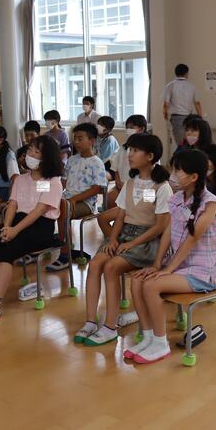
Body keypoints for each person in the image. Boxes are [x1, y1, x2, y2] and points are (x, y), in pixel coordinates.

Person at [124, 149, 216, 365]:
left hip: (202, 272)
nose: (173, 175)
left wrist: (167, 269)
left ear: (193, 177)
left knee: (151, 285)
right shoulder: (177, 198)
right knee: (138, 280)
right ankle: (148, 337)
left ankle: (160, 343)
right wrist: (158, 264)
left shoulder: (210, 203)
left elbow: (192, 239)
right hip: (178, 267)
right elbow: (168, 232)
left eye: (178, 171)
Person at [75, 134, 171, 346]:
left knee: (111, 267)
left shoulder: (162, 187)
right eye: (130, 150)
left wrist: (131, 243)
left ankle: (110, 326)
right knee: (95, 264)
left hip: (147, 241)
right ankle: (90, 321)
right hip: (125, 234)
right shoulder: (130, 183)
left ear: (150, 156)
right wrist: (112, 239)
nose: (130, 154)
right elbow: (120, 216)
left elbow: (160, 227)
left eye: (135, 150)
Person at [0, 136, 64, 325]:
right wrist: (7, 226)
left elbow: (39, 211)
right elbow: (13, 204)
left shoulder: (53, 181)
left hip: (40, 227)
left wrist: (15, 230)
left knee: (5, 254)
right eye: (30, 149)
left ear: (47, 158)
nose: (30, 154)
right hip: (16, 222)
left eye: (36, 151)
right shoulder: (21, 179)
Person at [47, 123, 108, 272]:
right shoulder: (72, 159)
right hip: (66, 199)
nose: (76, 142)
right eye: (75, 139)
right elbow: (63, 182)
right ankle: (49, 244)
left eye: (80, 138)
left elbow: (97, 188)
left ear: (92, 141)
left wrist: (75, 199)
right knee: (47, 205)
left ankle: (64, 255)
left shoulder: (97, 162)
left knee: (63, 208)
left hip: (85, 203)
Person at [102, 115, 148, 220]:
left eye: (132, 127)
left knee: (143, 206)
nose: (131, 155)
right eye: (127, 127)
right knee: (110, 200)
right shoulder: (123, 147)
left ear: (142, 129)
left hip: (141, 189)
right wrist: (118, 181)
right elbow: (116, 167)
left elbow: (150, 202)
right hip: (122, 186)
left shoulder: (149, 148)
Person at [163, 64, 203, 147]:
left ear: (175, 73)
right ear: (186, 73)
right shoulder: (192, 86)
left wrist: (165, 116)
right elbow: (197, 103)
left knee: (181, 144)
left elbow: (166, 104)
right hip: (190, 119)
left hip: (176, 118)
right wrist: (200, 117)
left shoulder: (170, 86)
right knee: (191, 143)